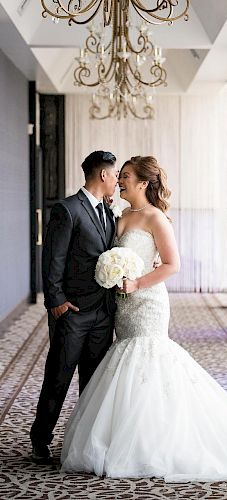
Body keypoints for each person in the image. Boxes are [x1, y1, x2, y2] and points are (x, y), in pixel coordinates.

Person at [60, 155, 227, 481]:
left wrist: (137, 283)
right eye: (120, 176)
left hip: (147, 302)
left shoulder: (156, 218)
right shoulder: (120, 214)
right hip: (122, 304)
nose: (121, 181)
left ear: (143, 183)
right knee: (126, 359)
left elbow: (172, 265)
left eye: (126, 176)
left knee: (146, 360)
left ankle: (154, 441)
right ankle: (129, 436)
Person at [30, 151, 119, 464]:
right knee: (59, 376)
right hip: (73, 312)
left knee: (93, 380)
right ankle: (40, 437)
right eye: (115, 173)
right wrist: (55, 302)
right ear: (103, 175)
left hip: (103, 313)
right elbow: (53, 258)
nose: (117, 179)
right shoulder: (66, 209)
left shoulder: (109, 212)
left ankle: (84, 439)